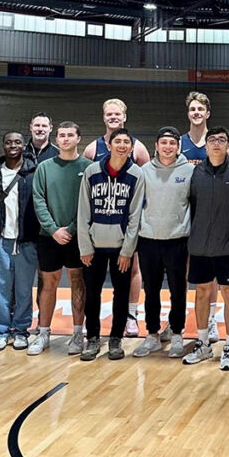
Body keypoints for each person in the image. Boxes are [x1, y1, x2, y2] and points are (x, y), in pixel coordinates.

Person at [183, 126, 229, 370]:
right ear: (206, 146)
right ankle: (203, 343)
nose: (216, 143)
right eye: (212, 139)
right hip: (200, 246)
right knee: (202, 293)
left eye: (221, 140)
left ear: (227, 145)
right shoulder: (195, 172)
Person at [77, 128, 145, 362]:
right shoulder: (91, 171)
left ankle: (116, 338)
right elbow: (83, 211)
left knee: (121, 293)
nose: (122, 145)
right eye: (118, 141)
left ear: (131, 148)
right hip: (94, 245)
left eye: (127, 142)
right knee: (92, 293)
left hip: (121, 247)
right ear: (109, 145)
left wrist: (128, 250)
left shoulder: (136, 174)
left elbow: (135, 216)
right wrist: (85, 246)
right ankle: (92, 337)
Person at [84, 98, 149, 337]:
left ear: (125, 117)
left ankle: (131, 315)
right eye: (109, 114)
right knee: (95, 279)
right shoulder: (92, 149)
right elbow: (86, 184)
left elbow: (147, 181)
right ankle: (92, 321)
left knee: (133, 268)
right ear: (104, 117)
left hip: (127, 221)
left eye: (117, 114)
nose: (113, 117)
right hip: (100, 223)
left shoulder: (138, 148)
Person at [131, 127, 193, 360]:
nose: (168, 147)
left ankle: (176, 333)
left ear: (178, 147)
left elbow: (194, 203)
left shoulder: (189, 171)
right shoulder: (144, 171)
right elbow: (136, 206)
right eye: (163, 143)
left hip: (177, 240)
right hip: (149, 240)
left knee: (178, 290)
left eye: (172, 143)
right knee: (151, 290)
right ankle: (152, 334)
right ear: (156, 146)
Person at [29, 121, 90, 356]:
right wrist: (53, 229)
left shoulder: (88, 167)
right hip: (49, 236)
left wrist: (71, 229)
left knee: (77, 281)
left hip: (77, 236)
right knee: (48, 283)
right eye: (61, 135)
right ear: (56, 139)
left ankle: (77, 333)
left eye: (70, 135)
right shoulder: (45, 167)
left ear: (78, 138)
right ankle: (43, 332)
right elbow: (38, 199)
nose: (65, 139)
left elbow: (87, 203)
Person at [180, 92, 229, 344]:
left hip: (212, 215)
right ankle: (178, 318)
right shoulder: (179, 142)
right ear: (188, 113)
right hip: (185, 213)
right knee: (183, 270)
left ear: (208, 113)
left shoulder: (218, 142)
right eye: (193, 109)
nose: (196, 113)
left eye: (200, 109)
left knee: (209, 272)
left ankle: (211, 320)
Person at [0, 132, 40, 352]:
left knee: (24, 289)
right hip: (0, 238)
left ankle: (21, 330)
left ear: (24, 145)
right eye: (8, 142)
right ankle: (0, 331)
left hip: (26, 239)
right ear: (3, 146)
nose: (13, 146)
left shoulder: (34, 172)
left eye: (17, 142)